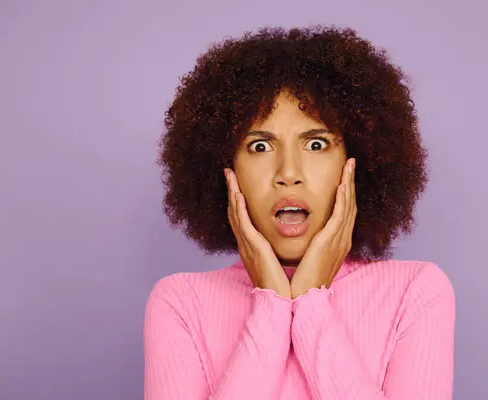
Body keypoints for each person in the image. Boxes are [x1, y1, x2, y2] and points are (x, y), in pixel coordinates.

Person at [144, 25, 456, 400]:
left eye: (316, 143)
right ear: (226, 169)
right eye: (259, 146)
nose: (288, 172)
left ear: (357, 162)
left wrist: (310, 303)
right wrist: (272, 308)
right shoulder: (179, 302)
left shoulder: (416, 292)